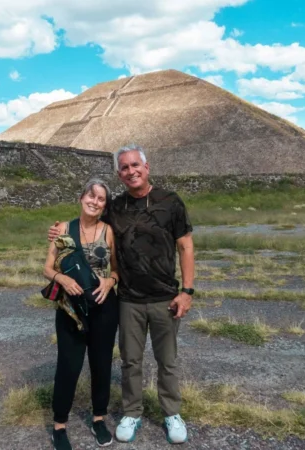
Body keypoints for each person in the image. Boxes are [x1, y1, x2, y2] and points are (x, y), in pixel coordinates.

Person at [48, 144, 194, 445]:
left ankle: (171, 413)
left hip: (166, 296)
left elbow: (185, 246)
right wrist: (57, 231)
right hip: (128, 299)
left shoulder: (171, 201)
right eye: (124, 168)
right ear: (120, 173)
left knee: (167, 360)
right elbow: (88, 219)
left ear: (147, 166)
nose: (131, 171)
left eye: (135, 165)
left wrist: (187, 291)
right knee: (130, 361)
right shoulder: (117, 207)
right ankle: (132, 412)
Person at [43, 178, 120, 450]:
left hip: (104, 308)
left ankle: (99, 418)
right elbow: (48, 268)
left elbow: (116, 269)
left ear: (104, 205)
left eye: (101, 199)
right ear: (81, 197)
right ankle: (59, 426)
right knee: (69, 365)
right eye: (91, 196)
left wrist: (110, 281)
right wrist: (61, 280)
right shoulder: (63, 229)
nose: (95, 202)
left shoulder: (109, 231)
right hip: (71, 310)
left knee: (101, 365)